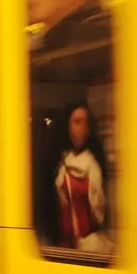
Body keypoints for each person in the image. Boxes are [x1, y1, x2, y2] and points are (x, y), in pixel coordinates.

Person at [48, 100, 113, 254]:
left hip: (91, 245)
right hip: (63, 245)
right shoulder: (58, 162)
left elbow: (101, 210)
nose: (82, 129)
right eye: (77, 122)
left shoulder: (95, 164)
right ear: (67, 126)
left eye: (86, 123)